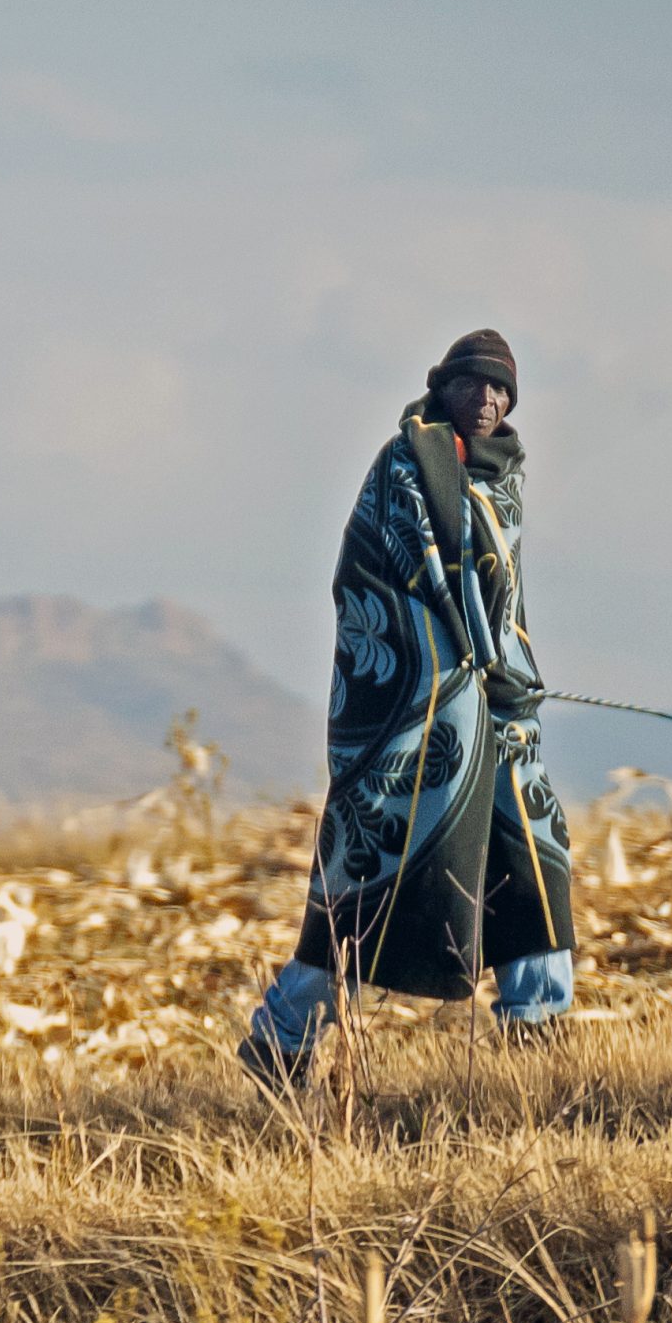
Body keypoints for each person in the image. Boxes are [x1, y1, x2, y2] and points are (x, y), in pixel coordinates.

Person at [240, 329, 576, 1090]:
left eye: (502, 391)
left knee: (534, 863)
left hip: (497, 718)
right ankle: (283, 1037)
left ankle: (539, 1029)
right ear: (444, 387)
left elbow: (504, 602)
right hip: (412, 721)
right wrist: (449, 665)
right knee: (369, 889)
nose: (489, 401)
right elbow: (373, 582)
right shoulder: (405, 466)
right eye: (476, 386)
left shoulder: (505, 478)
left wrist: (509, 674)